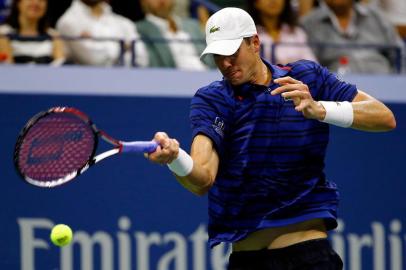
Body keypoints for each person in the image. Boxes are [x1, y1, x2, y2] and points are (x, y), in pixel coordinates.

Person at [145, 7, 396, 269]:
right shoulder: (212, 99)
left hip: (309, 255)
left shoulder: (307, 77)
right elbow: (203, 179)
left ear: (255, 42)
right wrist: (175, 158)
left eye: (231, 52)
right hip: (248, 260)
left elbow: (384, 117)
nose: (225, 63)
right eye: (217, 56)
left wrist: (320, 109)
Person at [301, 0, 403, 74]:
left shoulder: (378, 18)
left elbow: (401, 54)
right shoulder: (309, 23)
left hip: (384, 85)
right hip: (337, 93)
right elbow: (309, 66)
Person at [56, 0, 148, 67]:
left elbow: (142, 59)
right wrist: (124, 47)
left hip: (126, 83)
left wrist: (101, 47)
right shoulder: (68, 21)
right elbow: (94, 60)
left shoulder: (124, 23)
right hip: (87, 87)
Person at [136, 0, 214, 70]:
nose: (162, 1)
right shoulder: (139, 30)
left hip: (210, 78)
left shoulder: (192, 25)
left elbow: (212, 60)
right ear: (143, 2)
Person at [247, 0, 317, 65]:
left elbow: (312, 66)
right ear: (255, 2)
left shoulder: (297, 33)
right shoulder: (248, 35)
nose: (273, 1)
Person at [0, 0, 65, 65]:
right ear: (18, 3)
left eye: (41, 0)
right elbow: (8, 67)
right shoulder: (3, 33)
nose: (36, 2)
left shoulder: (54, 35)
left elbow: (59, 63)